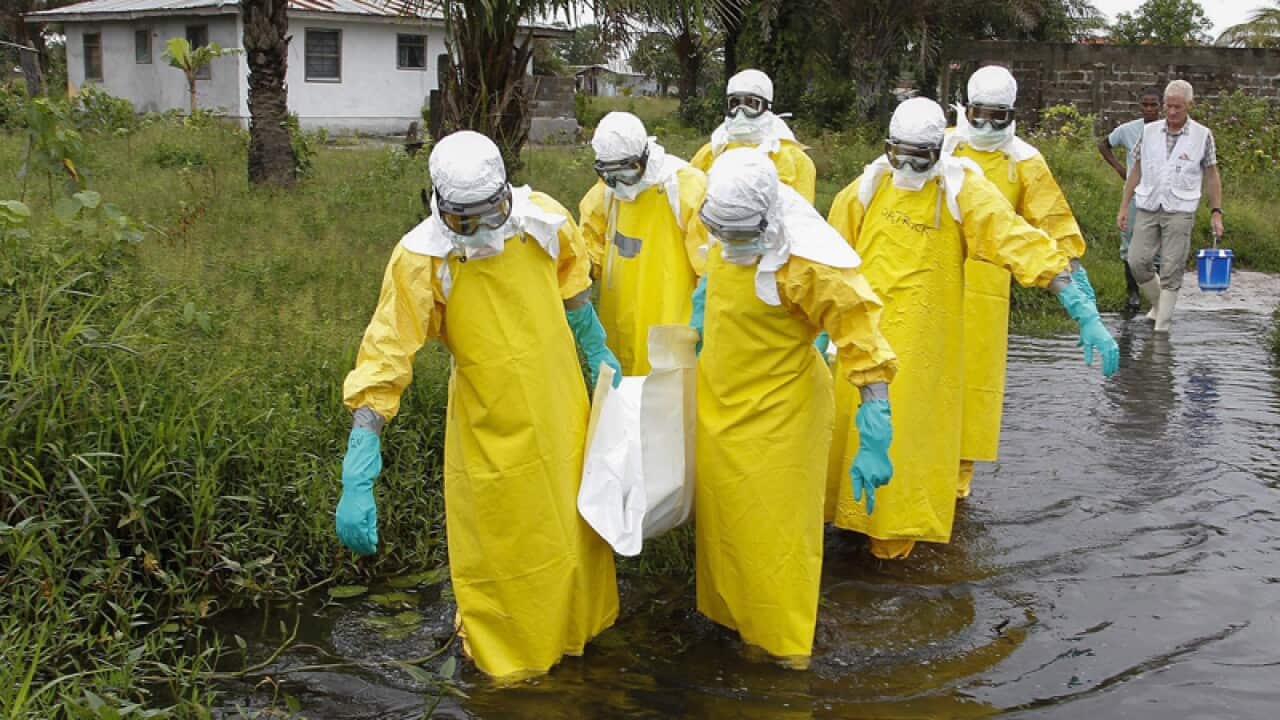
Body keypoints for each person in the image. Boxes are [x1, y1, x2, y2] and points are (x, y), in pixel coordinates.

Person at [335, 131, 621, 680]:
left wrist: (595, 347)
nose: (485, 230)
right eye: (467, 221)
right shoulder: (422, 259)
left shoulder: (544, 221)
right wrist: (360, 458)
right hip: (488, 423)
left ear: (507, 194)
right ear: (440, 205)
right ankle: (512, 662)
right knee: (503, 546)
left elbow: (573, 284)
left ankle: (577, 633)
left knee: (573, 529)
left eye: (493, 213)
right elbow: (386, 353)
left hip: (562, 407)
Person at [826, 98, 1118, 560]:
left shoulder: (964, 193)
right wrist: (823, 332)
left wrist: (1081, 306)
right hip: (864, 339)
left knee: (910, 440)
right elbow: (827, 259)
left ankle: (894, 545)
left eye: (917, 156)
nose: (906, 166)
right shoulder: (863, 190)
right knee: (849, 435)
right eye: (897, 153)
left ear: (938, 151)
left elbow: (1021, 242)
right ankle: (846, 528)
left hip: (925, 345)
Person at [690, 148, 898, 666]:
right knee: (727, 528)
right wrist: (700, 311)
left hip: (783, 419)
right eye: (723, 232)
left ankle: (783, 651)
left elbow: (862, 340)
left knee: (776, 539)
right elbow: (713, 278)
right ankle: (735, 623)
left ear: (767, 219)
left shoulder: (809, 264)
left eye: (741, 235)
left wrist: (876, 429)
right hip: (721, 406)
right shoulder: (726, 217)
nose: (730, 244)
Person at [943, 65, 1095, 500]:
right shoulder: (944, 147)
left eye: (997, 116)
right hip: (934, 275)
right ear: (965, 108)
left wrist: (1077, 286)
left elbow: (1054, 221)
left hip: (988, 289)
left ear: (1012, 114)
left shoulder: (1025, 161)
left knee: (973, 384)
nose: (987, 125)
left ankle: (956, 489)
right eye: (978, 114)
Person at [579, 111, 709, 375]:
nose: (620, 184)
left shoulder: (685, 188)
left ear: (644, 158)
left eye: (627, 172)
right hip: (620, 317)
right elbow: (587, 248)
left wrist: (703, 320)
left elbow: (710, 266)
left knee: (668, 396)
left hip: (672, 316)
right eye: (610, 175)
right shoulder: (605, 194)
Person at [1118, 79, 1225, 333]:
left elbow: (1212, 174)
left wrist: (1216, 212)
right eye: (1169, 106)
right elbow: (1137, 169)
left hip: (1180, 208)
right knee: (1136, 260)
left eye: (1178, 107)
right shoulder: (1150, 131)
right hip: (1149, 203)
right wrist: (1124, 205)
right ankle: (1158, 304)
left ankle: (1161, 329)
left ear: (1189, 105)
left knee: (1171, 267)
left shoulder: (1202, 135)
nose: (1173, 112)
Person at [690, 69, 818, 203]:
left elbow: (802, 215)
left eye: (750, 103)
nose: (740, 110)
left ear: (766, 106)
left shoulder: (794, 159)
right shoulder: (710, 152)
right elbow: (692, 203)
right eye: (734, 103)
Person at [1099, 87, 1163, 312]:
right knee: (1129, 242)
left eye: (1153, 104)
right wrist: (1119, 168)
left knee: (1160, 248)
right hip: (1135, 194)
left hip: (1163, 196)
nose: (1149, 109)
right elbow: (1104, 144)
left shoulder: (1168, 130)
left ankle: (1157, 297)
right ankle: (1132, 294)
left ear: (1160, 107)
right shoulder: (1129, 130)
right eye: (1144, 105)